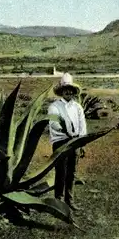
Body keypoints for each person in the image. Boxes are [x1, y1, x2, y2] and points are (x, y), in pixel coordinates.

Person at [48, 73, 87, 211]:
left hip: (75, 142)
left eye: (70, 89)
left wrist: (82, 143)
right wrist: (66, 132)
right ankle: (58, 201)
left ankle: (69, 200)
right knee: (60, 171)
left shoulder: (77, 107)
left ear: (73, 91)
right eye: (66, 89)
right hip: (60, 142)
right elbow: (54, 124)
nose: (68, 91)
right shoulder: (54, 107)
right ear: (61, 91)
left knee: (72, 172)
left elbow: (82, 126)